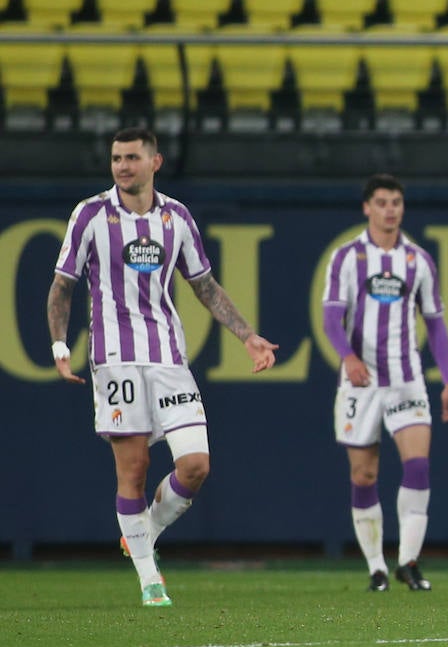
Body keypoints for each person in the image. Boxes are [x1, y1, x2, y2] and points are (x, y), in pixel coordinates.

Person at [47, 127, 279, 608]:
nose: (122, 166)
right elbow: (63, 285)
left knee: (195, 466)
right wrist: (58, 345)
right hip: (115, 362)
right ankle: (150, 580)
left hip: (169, 358)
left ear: (156, 162)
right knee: (133, 470)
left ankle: (143, 534)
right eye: (116, 158)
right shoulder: (90, 214)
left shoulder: (177, 218)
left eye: (132, 157)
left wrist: (248, 335)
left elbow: (206, 286)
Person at [322, 174, 448, 592]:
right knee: (364, 476)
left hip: (406, 379)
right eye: (381, 202)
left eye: (396, 202)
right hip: (361, 382)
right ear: (367, 207)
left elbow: (435, 324)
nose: (390, 209)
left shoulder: (418, 261)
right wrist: (347, 356)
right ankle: (375, 567)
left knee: (418, 465)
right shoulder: (347, 258)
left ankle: (409, 561)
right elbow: (332, 317)